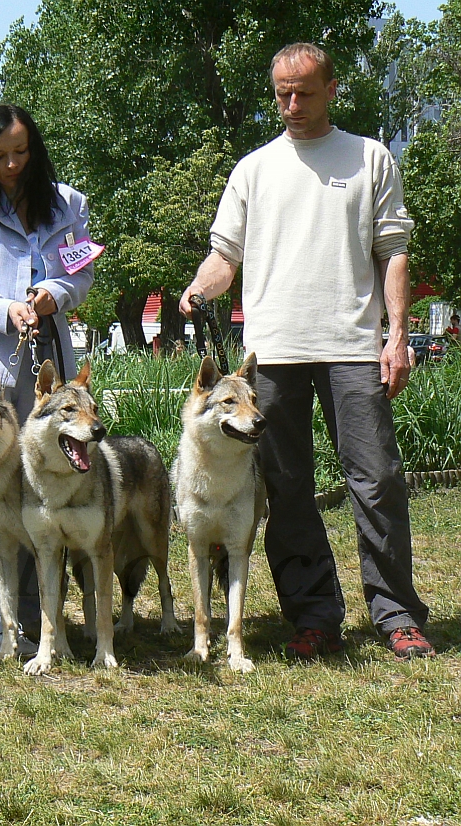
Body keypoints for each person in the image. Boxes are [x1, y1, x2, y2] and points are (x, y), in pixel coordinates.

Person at [180, 43, 434, 661]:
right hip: (273, 355)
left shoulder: (370, 158)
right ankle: (313, 615)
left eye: (305, 92)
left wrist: (396, 335)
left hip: (352, 345)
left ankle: (397, 614)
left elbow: (393, 251)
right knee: (287, 487)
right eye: (282, 94)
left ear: (332, 89)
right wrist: (198, 286)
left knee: (376, 481)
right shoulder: (253, 170)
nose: (292, 105)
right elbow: (226, 257)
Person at [0, 104, 95, 652]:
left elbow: (80, 275)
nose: (10, 165)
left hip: (44, 368)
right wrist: (8, 308)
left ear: (35, 148)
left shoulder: (68, 204)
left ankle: (39, 620)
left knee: (39, 487)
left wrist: (54, 295)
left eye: (20, 152)